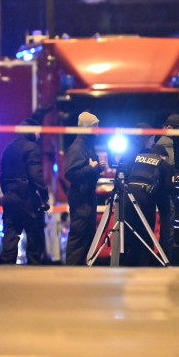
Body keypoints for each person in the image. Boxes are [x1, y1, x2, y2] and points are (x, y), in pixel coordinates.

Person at [0, 118, 50, 264]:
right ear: (32, 131)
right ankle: (33, 268)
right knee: (34, 233)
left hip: (9, 196)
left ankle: (5, 267)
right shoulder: (32, 147)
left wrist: (7, 192)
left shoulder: (8, 148)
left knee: (11, 232)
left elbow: (2, 175)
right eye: (38, 132)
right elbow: (36, 175)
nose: (39, 136)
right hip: (26, 197)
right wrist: (44, 197)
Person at [64, 111, 105, 265]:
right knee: (79, 235)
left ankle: (81, 269)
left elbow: (84, 170)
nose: (99, 129)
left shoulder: (86, 145)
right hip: (81, 198)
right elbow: (70, 173)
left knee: (87, 235)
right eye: (96, 126)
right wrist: (92, 168)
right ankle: (72, 270)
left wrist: (97, 168)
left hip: (86, 197)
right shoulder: (78, 147)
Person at [122, 144, 173, 266]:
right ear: (161, 156)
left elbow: (124, 173)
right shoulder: (163, 163)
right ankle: (145, 263)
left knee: (129, 231)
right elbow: (167, 187)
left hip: (127, 197)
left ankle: (128, 263)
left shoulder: (136, 157)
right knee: (146, 232)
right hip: (145, 199)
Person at [155, 113, 179, 264]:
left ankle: (169, 259)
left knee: (169, 228)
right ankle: (169, 261)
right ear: (169, 128)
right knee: (171, 229)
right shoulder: (168, 146)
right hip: (169, 195)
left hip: (165, 194)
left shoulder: (162, 145)